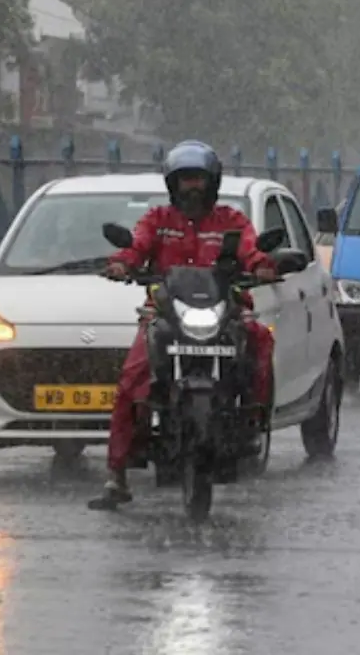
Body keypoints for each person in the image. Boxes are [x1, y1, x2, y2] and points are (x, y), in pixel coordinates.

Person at [88, 140, 278, 510]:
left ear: (213, 183)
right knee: (131, 379)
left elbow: (252, 250)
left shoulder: (231, 221)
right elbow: (136, 246)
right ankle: (117, 476)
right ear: (172, 184)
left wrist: (263, 266)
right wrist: (123, 263)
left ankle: (253, 422)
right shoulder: (158, 220)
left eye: (199, 179)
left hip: (225, 310)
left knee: (260, 339)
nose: (192, 187)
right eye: (185, 180)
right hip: (166, 313)